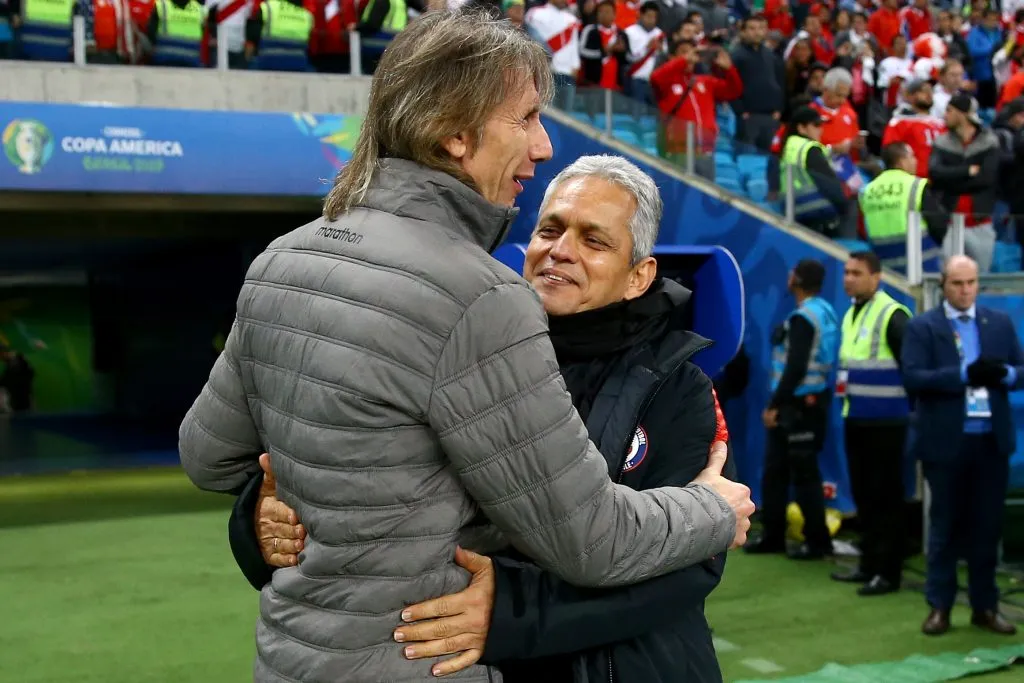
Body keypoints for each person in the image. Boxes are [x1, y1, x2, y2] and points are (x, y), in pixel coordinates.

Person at [177, 11, 752, 683]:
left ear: (640, 271)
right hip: (414, 657)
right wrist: (716, 506)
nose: (542, 146)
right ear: (455, 131)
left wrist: (283, 500)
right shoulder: (479, 299)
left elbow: (207, 454)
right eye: (528, 117)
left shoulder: (283, 257)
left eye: (594, 239)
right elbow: (593, 539)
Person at [232, 155, 738, 682]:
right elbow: (371, 491)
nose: (560, 251)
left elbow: (690, 564)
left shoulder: (679, 389)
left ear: (639, 277)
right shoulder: (455, 348)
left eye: (594, 241)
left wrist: (513, 612)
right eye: (551, 229)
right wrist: (257, 521)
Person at [902, 255, 1022, 637]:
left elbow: (1021, 370)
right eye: (957, 283)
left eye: (971, 283)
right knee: (945, 528)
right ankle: (940, 606)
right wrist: (963, 375)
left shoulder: (998, 323)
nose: (965, 290)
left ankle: (985, 607)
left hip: (990, 441)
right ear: (943, 284)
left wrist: (1004, 374)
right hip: (945, 443)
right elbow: (914, 376)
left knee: (987, 528)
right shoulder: (923, 326)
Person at [746, 259, 839, 560]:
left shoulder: (803, 319)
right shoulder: (825, 313)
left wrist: (775, 405)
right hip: (811, 403)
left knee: (798, 475)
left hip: (795, 407)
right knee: (782, 472)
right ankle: (776, 535)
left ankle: (815, 542)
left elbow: (796, 367)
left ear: (796, 280)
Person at [831, 251, 911, 596]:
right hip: (857, 419)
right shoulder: (851, 313)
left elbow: (913, 370)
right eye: (846, 272)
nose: (848, 278)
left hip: (888, 423)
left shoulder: (893, 315)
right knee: (865, 496)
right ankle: (868, 565)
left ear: (876, 278)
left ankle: (888, 573)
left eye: (856, 273)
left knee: (886, 500)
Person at [929, 94, 1000, 273]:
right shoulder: (941, 142)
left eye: (949, 111)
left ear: (963, 114)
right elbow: (935, 174)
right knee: (948, 275)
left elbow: (986, 179)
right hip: (949, 223)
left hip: (980, 222)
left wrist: (951, 180)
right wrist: (967, 172)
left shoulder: (989, 142)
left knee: (981, 277)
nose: (945, 115)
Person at [860, 142, 948, 277]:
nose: (915, 161)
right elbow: (939, 225)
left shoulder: (867, 190)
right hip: (921, 266)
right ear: (901, 162)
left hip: (885, 268)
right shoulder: (915, 185)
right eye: (911, 156)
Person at [778, 105, 849, 235]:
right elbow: (830, 185)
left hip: (791, 210)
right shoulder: (810, 149)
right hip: (816, 212)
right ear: (801, 128)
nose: (821, 130)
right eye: (816, 125)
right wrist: (844, 207)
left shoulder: (789, 146)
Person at [0, 344, 34, 414]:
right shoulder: (15, 360)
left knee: (24, 415)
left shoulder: (16, 362)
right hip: (20, 396)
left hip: (22, 397)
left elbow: (10, 379)